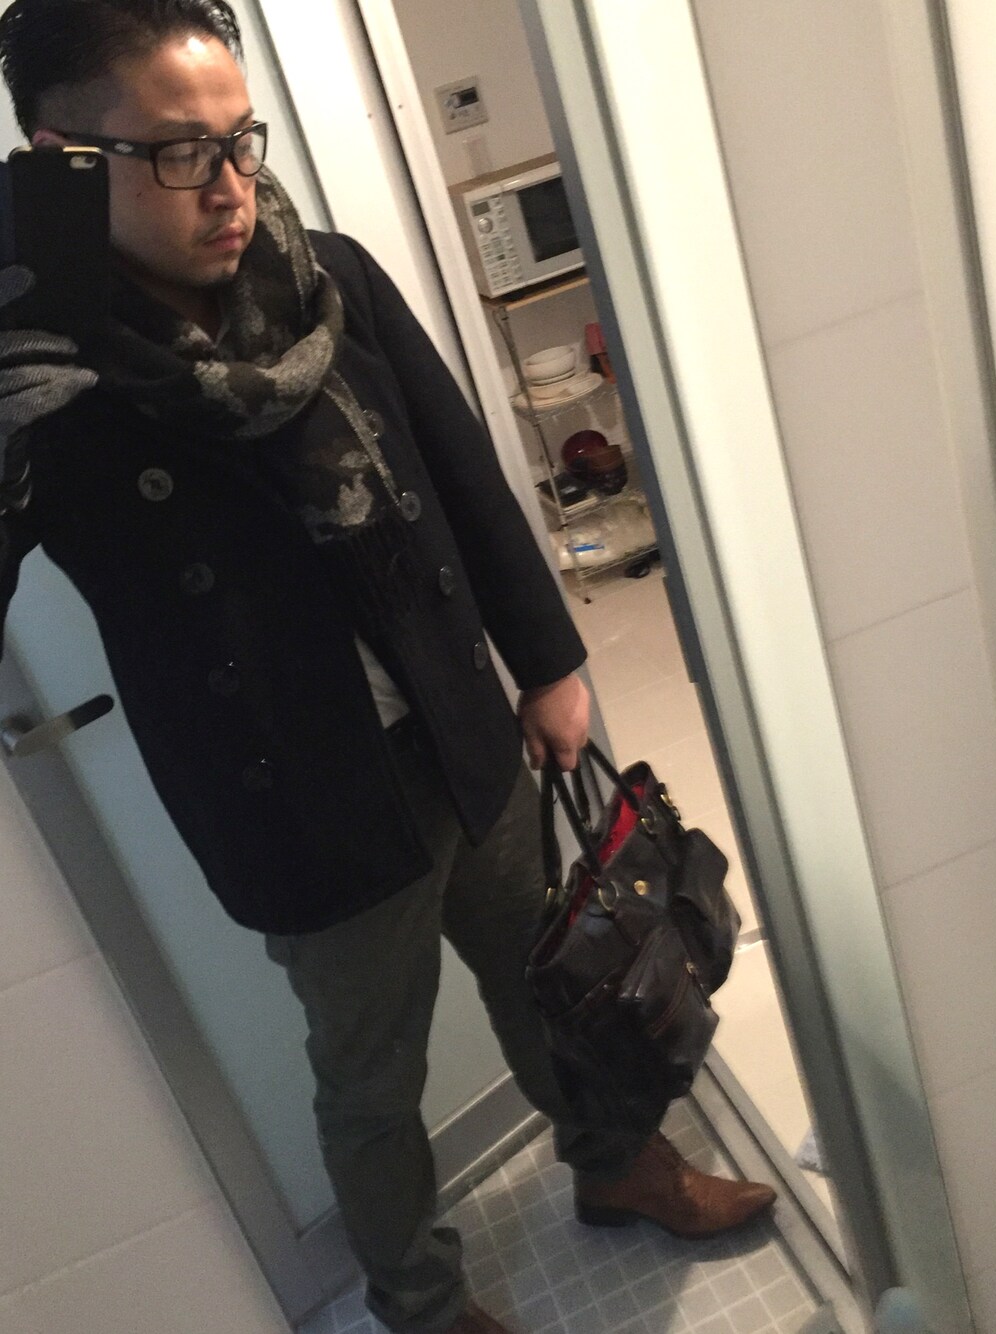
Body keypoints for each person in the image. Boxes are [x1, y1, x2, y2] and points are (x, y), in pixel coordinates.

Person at [0, 2, 776, 1330]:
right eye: (180, 153)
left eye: (240, 138)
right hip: (297, 803)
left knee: (557, 985)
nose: (229, 185)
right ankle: (422, 1301)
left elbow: (462, 471)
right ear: (61, 163)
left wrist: (549, 662)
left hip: (460, 730)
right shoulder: (42, 374)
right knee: (370, 1085)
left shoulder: (330, 278)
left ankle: (617, 1165)